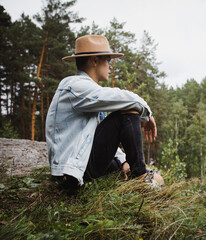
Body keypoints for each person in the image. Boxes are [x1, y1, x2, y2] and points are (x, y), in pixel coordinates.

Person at [45, 35, 163, 190]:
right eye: (107, 60)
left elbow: (95, 136)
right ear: (94, 61)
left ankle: (132, 170)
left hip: (83, 162)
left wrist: (123, 162)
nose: (110, 66)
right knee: (129, 109)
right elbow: (126, 99)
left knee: (159, 179)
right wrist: (148, 114)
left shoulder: (89, 92)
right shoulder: (75, 86)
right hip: (72, 171)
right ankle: (139, 174)